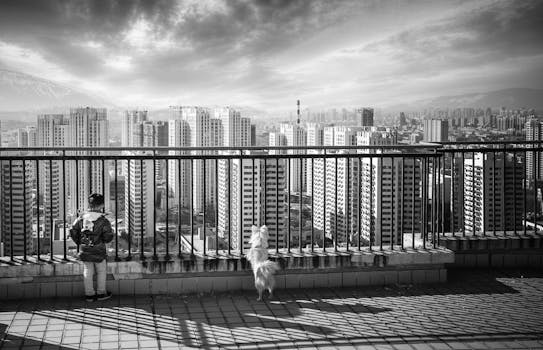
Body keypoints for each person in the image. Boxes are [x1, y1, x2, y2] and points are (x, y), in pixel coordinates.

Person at [70, 193, 114, 302]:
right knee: (101, 271)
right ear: (102, 205)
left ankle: (89, 294)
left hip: (85, 249)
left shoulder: (81, 218)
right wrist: (102, 240)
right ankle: (101, 293)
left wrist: (80, 243)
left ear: (89, 204)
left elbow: (73, 231)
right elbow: (108, 237)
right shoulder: (103, 221)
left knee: (87, 270)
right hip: (98, 250)